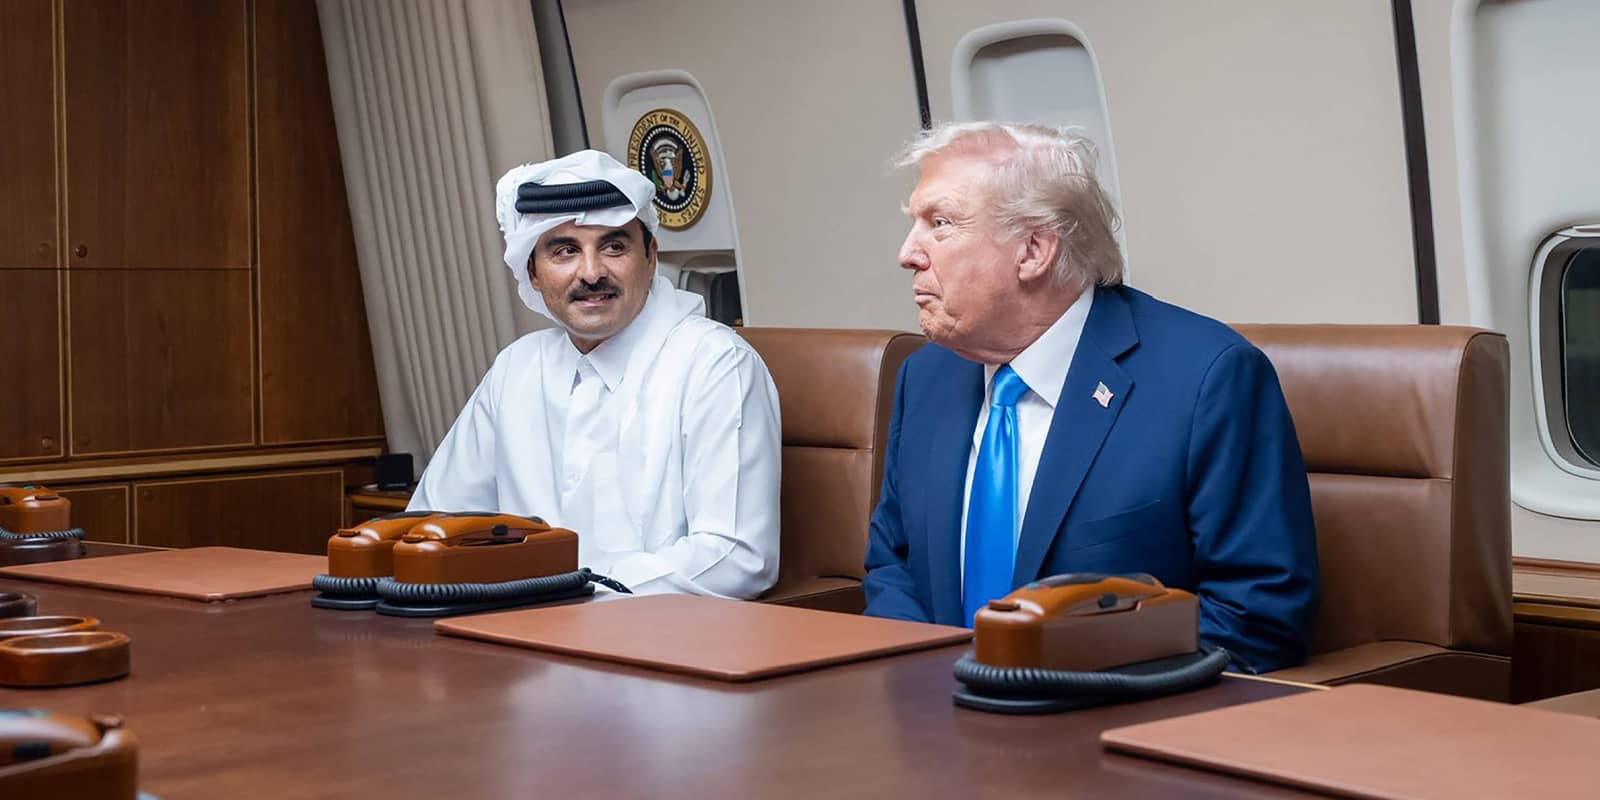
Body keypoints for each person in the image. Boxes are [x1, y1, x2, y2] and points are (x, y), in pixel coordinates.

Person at [862, 122, 1318, 672]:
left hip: (1106, 725)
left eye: (940, 224)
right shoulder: (926, 377)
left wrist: (1047, 687)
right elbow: (892, 562)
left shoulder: (1206, 380)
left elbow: (1256, 617)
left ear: (1033, 250)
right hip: (933, 722)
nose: (907, 253)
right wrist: (929, 683)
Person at [410, 150, 781, 599]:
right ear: (532, 271)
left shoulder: (716, 363)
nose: (591, 273)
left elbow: (737, 556)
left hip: (660, 646)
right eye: (565, 250)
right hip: (517, 636)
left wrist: (576, 597)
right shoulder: (518, 367)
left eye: (614, 246)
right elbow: (437, 520)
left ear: (650, 257)